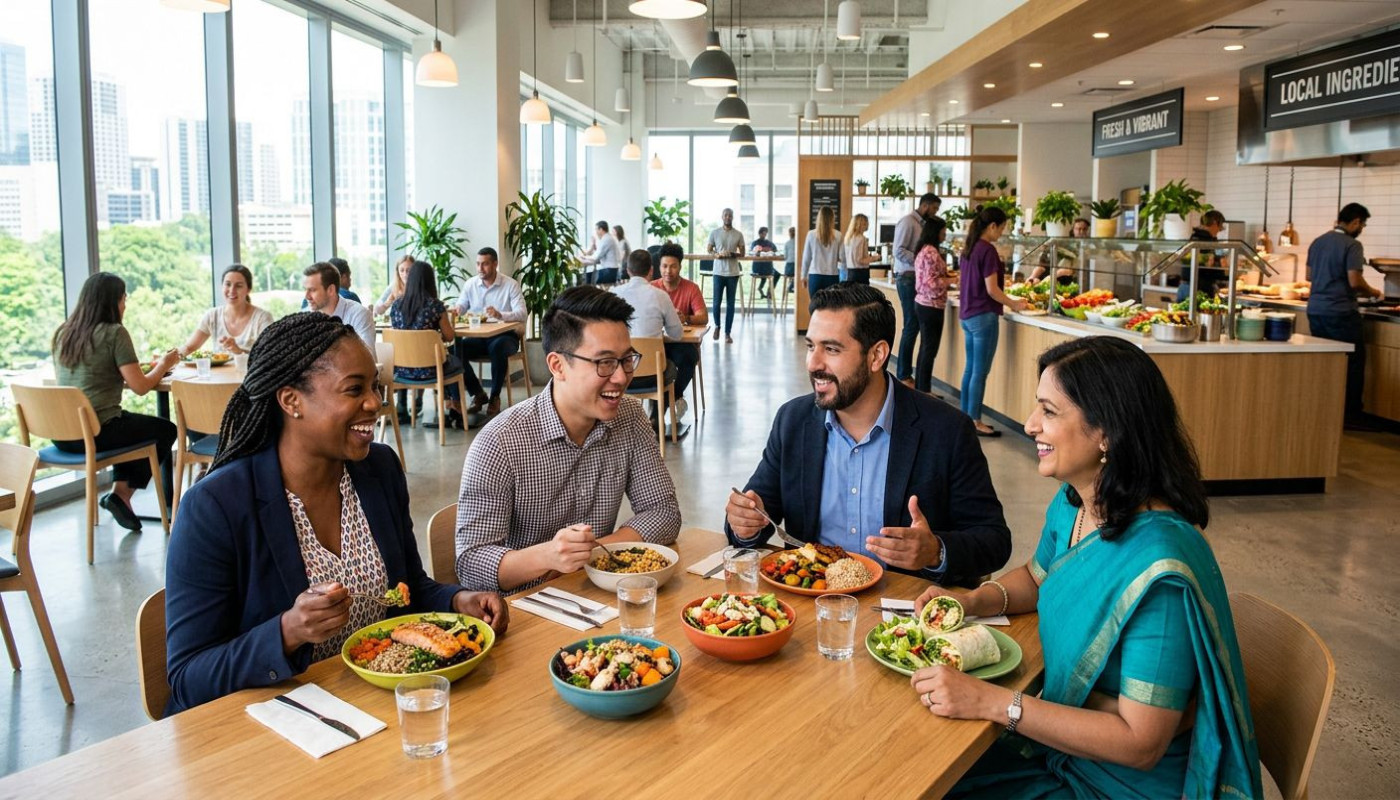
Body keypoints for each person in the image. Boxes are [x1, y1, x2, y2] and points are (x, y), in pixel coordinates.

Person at [910, 336, 1260, 799]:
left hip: (1120, 784)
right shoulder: (1076, 502)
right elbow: (1037, 577)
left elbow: (1140, 743)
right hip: (1063, 748)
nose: (1030, 425)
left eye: (1049, 412)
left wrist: (995, 704)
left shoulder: (1159, 571)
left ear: (1107, 433)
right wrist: (972, 601)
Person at [164, 312, 508, 714]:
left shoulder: (378, 470)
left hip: (367, 706)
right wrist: (287, 631)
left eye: (374, 386)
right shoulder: (215, 507)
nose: (375, 402)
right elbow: (188, 676)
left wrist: (459, 601)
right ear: (291, 401)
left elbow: (408, 590)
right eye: (354, 389)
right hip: (268, 722)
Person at [724, 283, 1011, 587]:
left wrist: (935, 551)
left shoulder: (947, 430)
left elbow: (993, 540)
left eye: (831, 349)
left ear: (876, 356)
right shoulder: (793, 421)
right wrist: (745, 524)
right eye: (811, 346)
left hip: (903, 607)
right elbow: (756, 510)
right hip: (814, 600)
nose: (813, 363)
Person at [454, 286, 682, 593]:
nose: (620, 377)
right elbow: (471, 566)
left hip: (594, 596)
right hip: (523, 606)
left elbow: (664, 512)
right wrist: (548, 556)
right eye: (604, 362)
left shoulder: (629, 417)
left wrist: (591, 553)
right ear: (557, 365)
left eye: (627, 359)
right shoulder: (500, 443)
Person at [51, 272, 180, 530]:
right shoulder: (115, 333)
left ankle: (119, 496)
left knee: (129, 426)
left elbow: (89, 377)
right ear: (112, 302)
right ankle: (121, 494)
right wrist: (164, 364)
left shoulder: (64, 333)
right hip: (96, 432)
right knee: (165, 429)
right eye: (123, 299)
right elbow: (141, 387)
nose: (125, 305)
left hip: (61, 433)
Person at [1307, 203, 1381, 429]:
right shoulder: (1352, 245)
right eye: (1363, 225)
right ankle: (1351, 417)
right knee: (1353, 364)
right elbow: (1354, 281)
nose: (1362, 229)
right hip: (1340, 313)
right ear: (1356, 221)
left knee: (1327, 363)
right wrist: (1374, 292)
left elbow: (1309, 276)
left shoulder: (1318, 241)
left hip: (1316, 311)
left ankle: (1326, 411)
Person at [959, 206, 1027, 437]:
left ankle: (965, 417)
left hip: (967, 314)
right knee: (980, 372)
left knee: (970, 369)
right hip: (983, 315)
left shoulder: (969, 247)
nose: (1001, 233)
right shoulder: (987, 250)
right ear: (992, 226)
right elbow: (992, 289)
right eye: (1002, 228)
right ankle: (975, 420)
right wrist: (1014, 304)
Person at [612, 249, 688, 421]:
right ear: (651, 270)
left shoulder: (613, 294)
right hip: (654, 376)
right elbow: (677, 334)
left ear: (628, 271)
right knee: (671, 365)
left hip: (620, 374)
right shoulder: (661, 296)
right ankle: (657, 416)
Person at [453, 247, 527, 420]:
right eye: (478, 264)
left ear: (495, 264)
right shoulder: (471, 284)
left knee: (498, 347)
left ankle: (494, 396)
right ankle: (478, 393)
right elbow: (461, 305)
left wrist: (501, 315)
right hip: (479, 337)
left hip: (506, 336)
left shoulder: (510, 285)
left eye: (485, 264)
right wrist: (458, 309)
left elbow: (522, 313)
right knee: (455, 351)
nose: (480, 268)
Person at [391, 260, 465, 430]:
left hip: (402, 371)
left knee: (447, 360)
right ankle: (455, 407)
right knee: (454, 360)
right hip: (430, 370)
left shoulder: (396, 306)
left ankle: (450, 405)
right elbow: (449, 336)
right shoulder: (435, 306)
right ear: (430, 281)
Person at [893, 193, 942, 387]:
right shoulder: (908, 222)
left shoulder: (922, 224)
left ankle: (908, 374)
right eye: (934, 208)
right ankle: (904, 374)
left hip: (915, 278)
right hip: (907, 277)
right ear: (925, 205)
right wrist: (920, 260)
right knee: (911, 326)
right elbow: (898, 250)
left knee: (914, 327)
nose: (935, 212)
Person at [652, 242, 706, 418]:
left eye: (673, 266)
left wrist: (686, 318)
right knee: (652, 361)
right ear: (659, 267)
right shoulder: (651, 288)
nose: (668, 271)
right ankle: (667, 405)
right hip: (656, 342)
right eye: (664, 266)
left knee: (690, 356)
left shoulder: (691, 288)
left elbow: (703, 317)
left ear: (680, 267)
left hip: (679, 342)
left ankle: (663, 406)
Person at [181, 264, 274, 357]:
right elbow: (189, 348)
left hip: (251, 367)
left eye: (239, 286)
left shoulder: (262, 318)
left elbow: (270, 355)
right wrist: (174, 357)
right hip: (218, 368)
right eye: (228, 284)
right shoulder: (212, 316)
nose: (232, 290)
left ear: (248, 289)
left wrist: (238, 351)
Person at [913, 217, 951, 395]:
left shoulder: (924, 250)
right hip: (931, 306)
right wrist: (952, 280)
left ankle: (921, 389)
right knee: (929, 350)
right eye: (943, 231)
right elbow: (931, 283)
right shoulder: (931, 252)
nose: (945, 235)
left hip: (924, 304)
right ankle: (924, 391)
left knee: (925, 348)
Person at [303, 262, 375, 349]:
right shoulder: (304, 317)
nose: (306, 296)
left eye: (312, 290)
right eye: (305, 289)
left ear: (331, 290)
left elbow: (367, 357)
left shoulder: (358, 315)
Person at [706, 208, 745, 343]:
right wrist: (717, 255)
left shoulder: (738, 234)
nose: (728, 217)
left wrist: (732, 254)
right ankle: (717, 326)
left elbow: (743, 253)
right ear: (722, 217)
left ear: (732, 217)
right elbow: (709, 249)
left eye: (730, 215)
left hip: (733, 273)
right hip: (718, 272)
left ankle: (727, 333)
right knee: (716, 302)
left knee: (731, 304)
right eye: (726, 215)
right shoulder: (715, 233)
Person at [1174, 209, 1228, 302]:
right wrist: (1226, 274)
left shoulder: (1194, 237)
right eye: (1220, 226)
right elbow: (1210, 266)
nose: (1219, 230)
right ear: (1215, 223)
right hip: (1199, 288)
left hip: (1184, 286)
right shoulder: (1206, 240)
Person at [1029, 217, 1089, 284]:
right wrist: (1032, 277)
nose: (1081, 232)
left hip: (1064, 278)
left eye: (1084, 229)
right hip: (1049, 273)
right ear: (1073, 229)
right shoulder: (1066, 242)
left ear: (1087, 230)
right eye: (1078, 229)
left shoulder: (1088, 245)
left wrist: (1053, 276)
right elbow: (1042, 264)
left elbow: (1071, 270)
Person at [802, 206, 844, 298]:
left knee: (815, 305)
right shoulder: (838, 235)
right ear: (832, 219)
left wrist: (803, 276)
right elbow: (842, 258)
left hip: (815, 276)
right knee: (831, 305)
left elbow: (806, 258)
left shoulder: (811, 234)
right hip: (832, 276)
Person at [579, 221, 621, 286]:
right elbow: (598, 255)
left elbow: (596, 257)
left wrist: (584, 257)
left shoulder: (606, 239)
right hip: (612, 270)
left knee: (587, 277)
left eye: (596, 229)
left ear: (601, 229)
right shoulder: (608, 238)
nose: (596, 232)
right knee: (588, 275)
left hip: (609, 271)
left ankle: (589, 291)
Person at [843, 213, 878, 285]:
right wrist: (875, 258)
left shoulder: (848, 238)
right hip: (860, 274)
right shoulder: (861, 239)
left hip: (850, 272)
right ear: (863, 224)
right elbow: (860, 260)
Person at [750, 226, 778, 299]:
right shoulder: (768, 243)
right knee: (776, 274)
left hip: (757, 269)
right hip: (764, 269)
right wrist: (768, 251)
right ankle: (769, 292)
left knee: (767, 272)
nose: (764, 235)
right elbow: (775, 251)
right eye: (763, 234)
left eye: (765, 234)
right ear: (759, 234)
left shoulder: (754, 243)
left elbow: (751, 252)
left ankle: (761, 288)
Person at [783, 226, 798, 297]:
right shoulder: (799, 242)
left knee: (793, 274)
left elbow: (785, 257)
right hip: (797, 267)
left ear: (789, 234)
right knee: (798, 274)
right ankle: (792, 285)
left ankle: (790, 286)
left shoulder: (787, 243)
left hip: (789, 268)